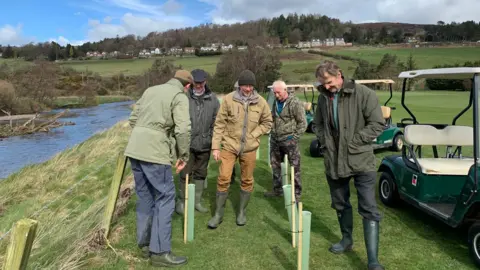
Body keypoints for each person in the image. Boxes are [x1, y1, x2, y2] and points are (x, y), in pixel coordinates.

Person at [313, 60, 385, 270]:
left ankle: (372, 260)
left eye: (328, 81)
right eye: (322, 83)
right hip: (333, 162)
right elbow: (317, 124)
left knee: (369, 208)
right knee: (340, 203)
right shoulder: (323, 97)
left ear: (339, 75)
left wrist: (354, 142)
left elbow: (377, 124)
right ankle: (346, 240)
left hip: (361, 160)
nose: (326, 86)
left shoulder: (364, 94)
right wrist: (325, 141)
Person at [124, 70, 193, 267]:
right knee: (165, 197)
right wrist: (183, 155)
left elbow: (132, 119)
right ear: (186, 86)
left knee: (145, 197)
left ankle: (145, 245)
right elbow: (183, 129)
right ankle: (160, 251)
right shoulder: (179, 96)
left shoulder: (150, 90)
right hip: (155, 153)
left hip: (135, 149)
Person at [208, 70, 273, 229]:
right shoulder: (228, 100)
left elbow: (267, 122)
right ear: (239, 85)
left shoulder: (261, 102)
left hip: (249, 148)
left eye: (251, 86)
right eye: (245, 85)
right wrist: (216, 147)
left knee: (247, 179)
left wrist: (254, 134)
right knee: (223, 177)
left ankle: (241, 212)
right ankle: (218, 214)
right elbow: (219, 124)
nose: (248, 89)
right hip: (229, 145)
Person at [175, 69, 220, 215]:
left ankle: (197, 202)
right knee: (185, 174)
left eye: (201, 83)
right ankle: (182, 202)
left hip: (205, 145)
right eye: (196, 83)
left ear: (205, 82)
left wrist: (212, 140)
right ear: (192, 83)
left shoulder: (213, 99)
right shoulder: (183, 98)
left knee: (201, 173)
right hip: (187, 144)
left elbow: (217, 122)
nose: (199, 85)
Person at [264, 80, 307, 201]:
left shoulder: (295, 103)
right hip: (275, 140)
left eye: (278, 93)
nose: (276, 95)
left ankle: (296, 195)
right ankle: (277, 190)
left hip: (289, 141)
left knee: (295, 168)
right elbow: (272, 117)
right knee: (275, 165)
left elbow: (303, 123)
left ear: (285, 90)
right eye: (274, 93)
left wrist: (294, 138)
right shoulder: (274, 102)